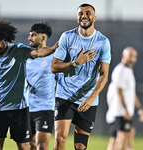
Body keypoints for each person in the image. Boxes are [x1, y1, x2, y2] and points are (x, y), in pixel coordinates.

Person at [0, 19, 58, 150]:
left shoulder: (19, 51)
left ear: (2, 38)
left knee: (24, 147)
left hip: (19, 109)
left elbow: (39, 52)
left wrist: (54, 47)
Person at [51, 3, 111, 150]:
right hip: (65, 95)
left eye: (88, 13)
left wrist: (92, 97)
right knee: (60, 140)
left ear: (94, 18)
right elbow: (54, 67)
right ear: (77, 17)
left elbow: (104, 75)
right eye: (80, 13)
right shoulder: (67, 37)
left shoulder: (103, 42)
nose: (84, 16)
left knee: (80, 146)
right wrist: (76, 63)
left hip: (87, 99)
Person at [26, 22, 58, 150]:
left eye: (33, 35)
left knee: (42, 145)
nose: (29, 38)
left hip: (45, 108)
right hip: (26, 107)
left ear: (43, 38)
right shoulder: (25, 56)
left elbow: (61, 80)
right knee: (30, 145)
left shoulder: (53, 58)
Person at [106, 47, 143, 150]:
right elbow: (119, 91)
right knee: (122, 139)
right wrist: (125, 110)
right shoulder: (120, 70)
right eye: (130, 56)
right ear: (123, 56)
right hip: (120, 111)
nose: (132, 59)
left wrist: (139, 108)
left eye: (134, 57)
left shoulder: (128, 71)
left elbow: (131, 93)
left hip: (123, 111)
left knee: (117, 139)